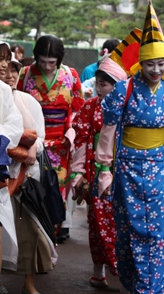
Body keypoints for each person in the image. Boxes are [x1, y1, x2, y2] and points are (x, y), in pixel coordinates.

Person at [94, 0, 164, 294]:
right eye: (151, 64)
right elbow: (108, 131)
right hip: (126, 170)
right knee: (128, 232)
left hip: (160, 170)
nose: (157, 69)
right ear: (141, 63)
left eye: (162, 64)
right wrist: (104, 172)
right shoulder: (123, 90)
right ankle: (134, 283)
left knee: (158, 234)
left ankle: (153, 289)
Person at [17, 35, 84, 243]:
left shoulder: (71, 75)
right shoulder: (25, 73)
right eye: (42, 61)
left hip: (59, 144)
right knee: (32, 184)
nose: (47, 66)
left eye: (52, 62)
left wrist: (72, 133)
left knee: (58, 187)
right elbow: (16, 103)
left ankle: (54, 231)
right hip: (32, 139)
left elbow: (78, 107)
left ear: (60, 59)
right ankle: (34, 230)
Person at [70, 55, 127, 288]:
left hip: (123, 171)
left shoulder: (128, 107)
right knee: (97, 223)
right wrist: (77, 172)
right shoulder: (88, 107)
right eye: (98, 83)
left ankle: (121, 271)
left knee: (120, 223)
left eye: (104, 84)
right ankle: (100, 271)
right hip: (96, 171)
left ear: (117, 85)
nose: (99, 88)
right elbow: (81, 140)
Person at [5, 53, 56, 294]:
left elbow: (41, 137)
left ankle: (29, 283)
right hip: (2, 174)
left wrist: (28, 150)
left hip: (26, 176)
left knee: (29, 232)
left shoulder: (29, 101)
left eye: (14, 70)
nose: (10, 75)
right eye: (5, 70)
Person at [0, 42, 23, 294]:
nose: (4, 64)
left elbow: (14, 125)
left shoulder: (3, 92)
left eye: (6, 59)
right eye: (0, 58)